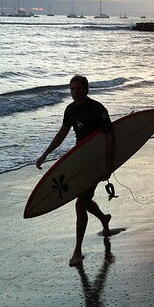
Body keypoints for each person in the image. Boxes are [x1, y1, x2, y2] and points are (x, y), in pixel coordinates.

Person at [36, 75, 115, 266]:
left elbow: (110, 137)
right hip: (80, 160)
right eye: (72, 89)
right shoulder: (70, 110)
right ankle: (104, 218)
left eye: (78, 89)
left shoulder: (97, 109)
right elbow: (62, 134)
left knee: (80, 203)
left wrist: (108, 167)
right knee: (84, 201)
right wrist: (46, 154)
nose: (75, 92)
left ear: (86, 89)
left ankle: (78, 250)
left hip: (96, 162)